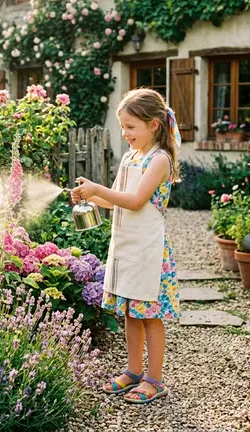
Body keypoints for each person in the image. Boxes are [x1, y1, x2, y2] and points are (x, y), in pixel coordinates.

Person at [72, 88, 181, 404]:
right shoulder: (130, 158)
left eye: (131, 126)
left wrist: (97, 188)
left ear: (153, 126)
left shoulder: (159, 160)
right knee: (131, 314)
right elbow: (112, 201)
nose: (125, 133)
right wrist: (89, 196)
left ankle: (154, 379)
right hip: (127, 247)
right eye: (123, 127)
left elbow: (135, 201)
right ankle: (134, 371)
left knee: (150, 315)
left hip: (149, 249)